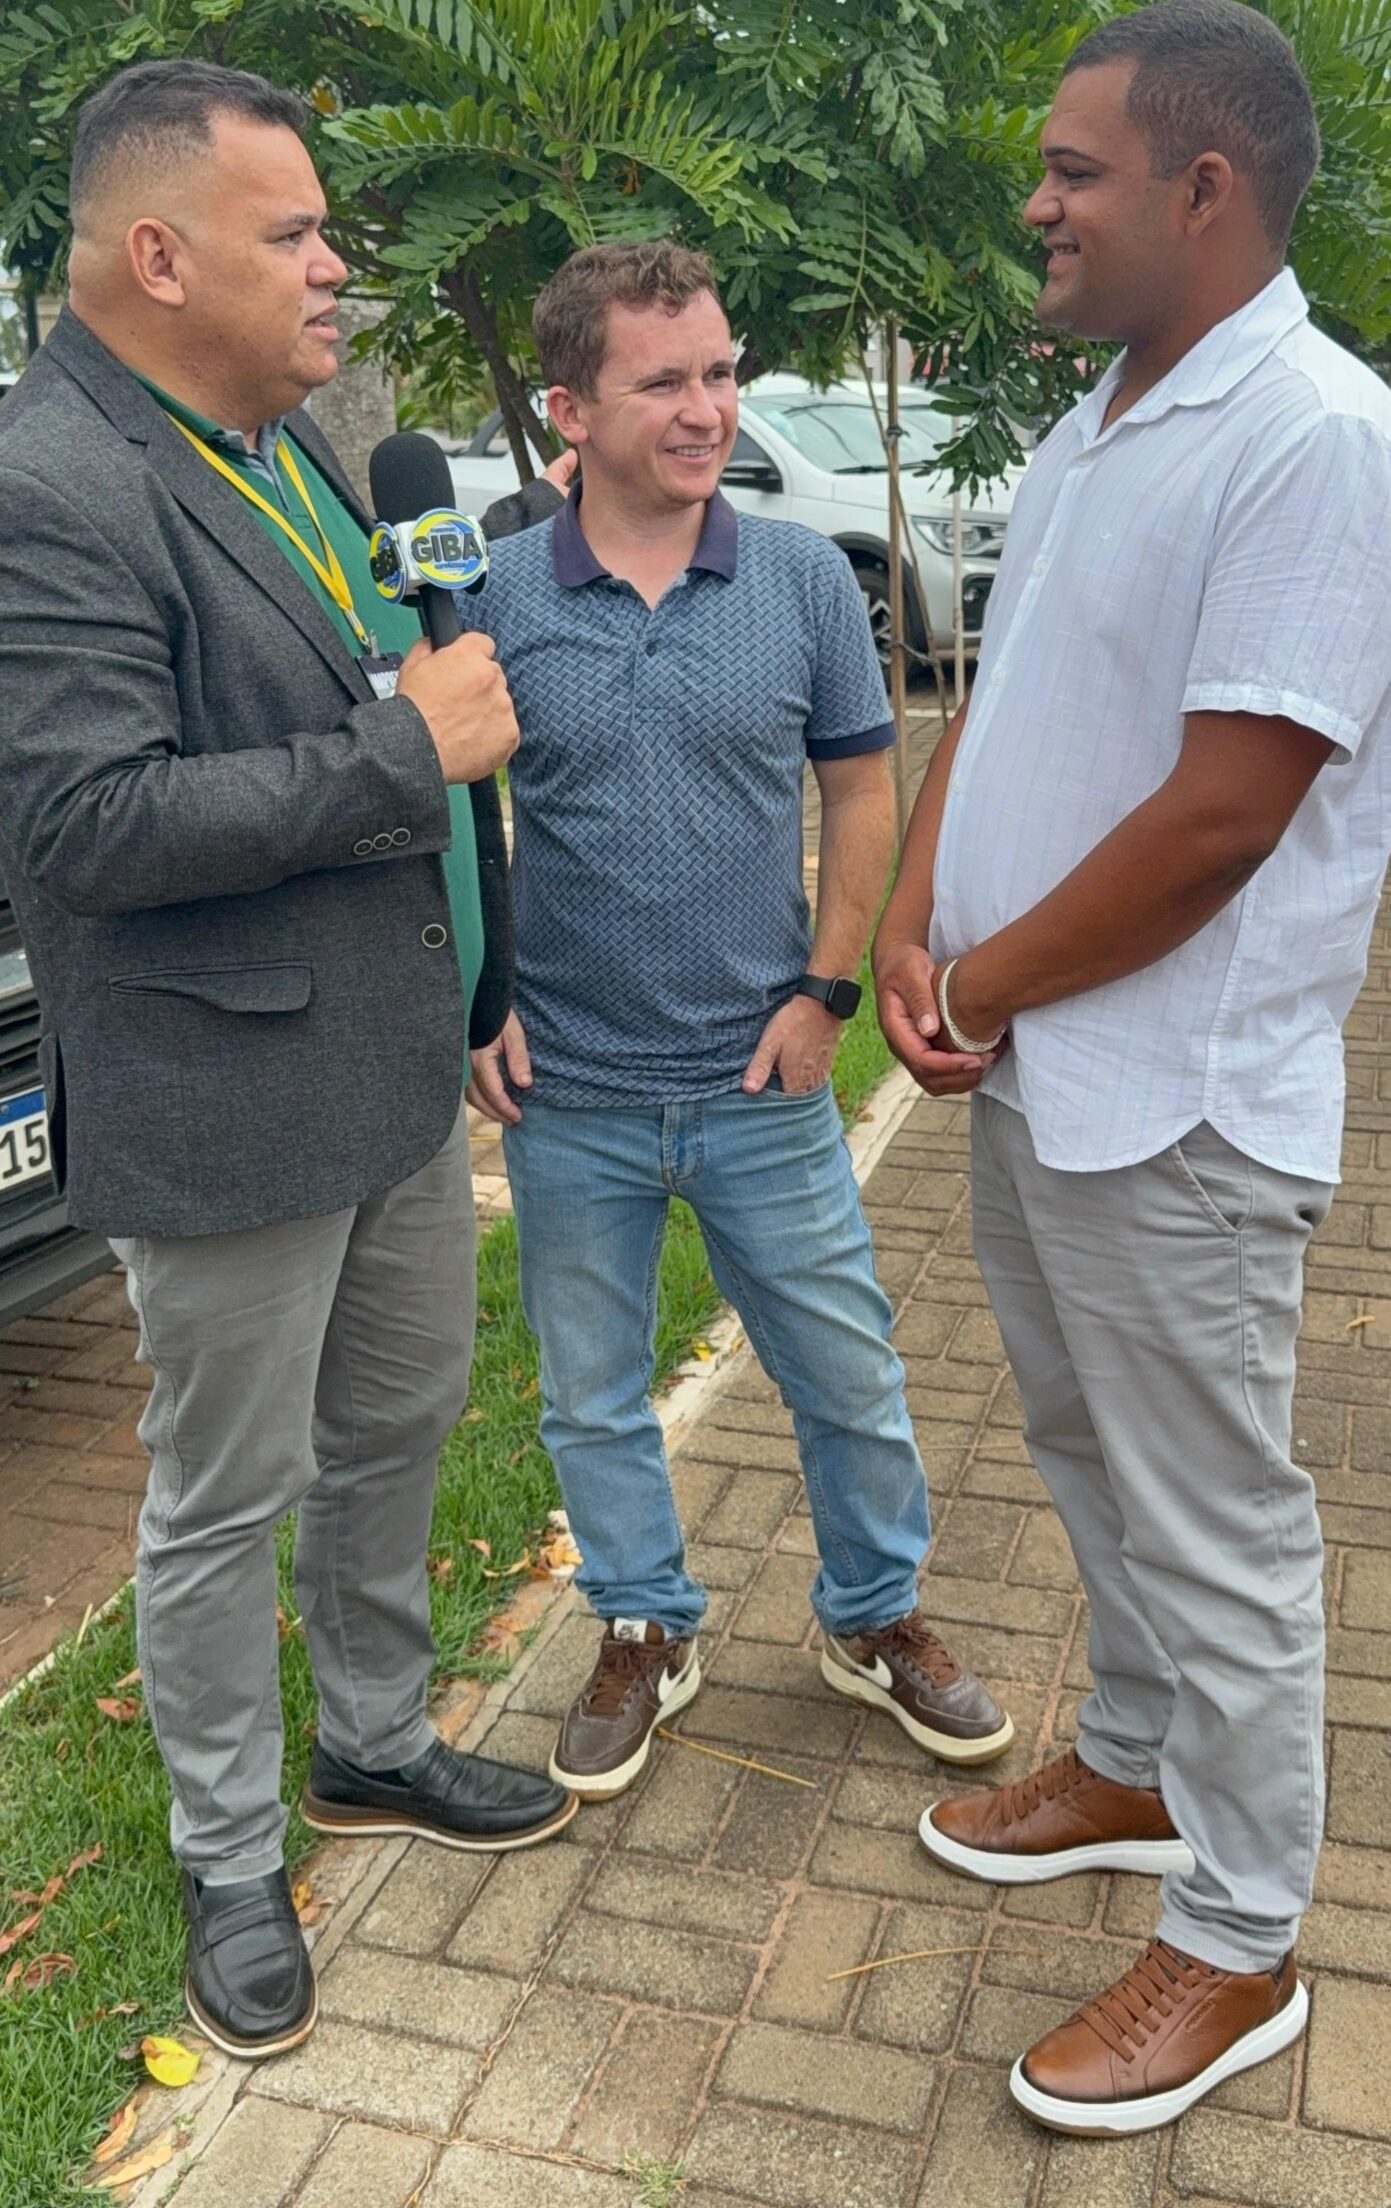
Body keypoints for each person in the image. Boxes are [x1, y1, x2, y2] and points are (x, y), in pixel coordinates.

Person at [874, 0, 1391, 2135]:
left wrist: (983, 983)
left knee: (1220, 1521)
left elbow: (1224, 814)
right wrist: (917, 927)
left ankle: (1244, 1930)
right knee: (1082, 1441)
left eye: (1072, 169)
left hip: (1178, 1102)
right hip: (1043, 1066)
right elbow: (999, 701)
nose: (1036, 202)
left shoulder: (1319, 444)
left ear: (1205, 187)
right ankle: (1131, 1755)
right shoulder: (1103, 419)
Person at [0, 61, 574, 2065]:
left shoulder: (294, 442)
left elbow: (378, 674)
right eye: (298, 232)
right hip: (224, 1101)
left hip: (392, 1066)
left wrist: (479, 969)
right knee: (222, 1490)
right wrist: (406, 749)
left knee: (397, 1421)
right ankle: (232, 1853)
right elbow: (84, 825)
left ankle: (375, 1739)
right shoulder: (52, 482)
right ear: (160, 256)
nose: (338, 266)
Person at [466, 239, 1013, 1799]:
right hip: (569, 1089)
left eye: (720, 373)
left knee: (847, 1372)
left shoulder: (797, 582)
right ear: (571, 409)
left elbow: (861, 791)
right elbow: (452, 818)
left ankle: (873, 1615)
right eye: (666, 382)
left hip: (760, 1075)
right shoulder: (494, 597)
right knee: (590, 1393)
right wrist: (476, 1004)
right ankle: (644, 1623)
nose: (708, 409)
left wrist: (825, 994)